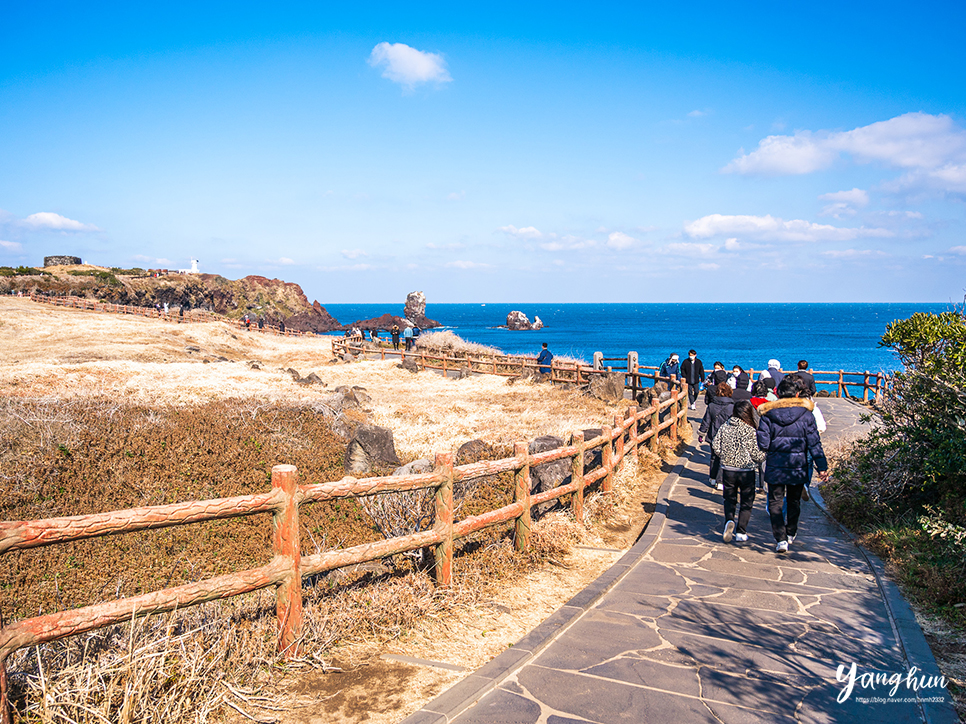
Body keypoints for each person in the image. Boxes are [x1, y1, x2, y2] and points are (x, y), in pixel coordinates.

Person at [757, 375, 829, 553]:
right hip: (798, 465)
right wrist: (822, 467)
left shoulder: (767, 415)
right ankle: (791, 532)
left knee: (775, 502)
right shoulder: (806, 415)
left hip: (775, 465)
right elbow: (814, 443)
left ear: (778, 394)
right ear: (797, 394)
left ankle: (780, 538)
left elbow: (763, 444)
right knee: (794, 500)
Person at [712, 401, 767, 543]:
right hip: (746, 470)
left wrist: (724, 455)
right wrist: (763, 457)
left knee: (729, 499)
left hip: (728, 469)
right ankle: (741, 531)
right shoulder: (750, 430)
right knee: (746, 501)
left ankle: (729, 520)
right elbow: (756, 453)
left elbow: (715, 445)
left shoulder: (725, 427)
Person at [698, 382, 734, 490]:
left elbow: (706, 421)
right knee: (725, 458)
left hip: (713, 434)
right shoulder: (732, 407)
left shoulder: (711, 406)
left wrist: (702, 433)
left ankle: (713, 477)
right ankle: (720, 481)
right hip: (728, 435)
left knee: (714, 457)